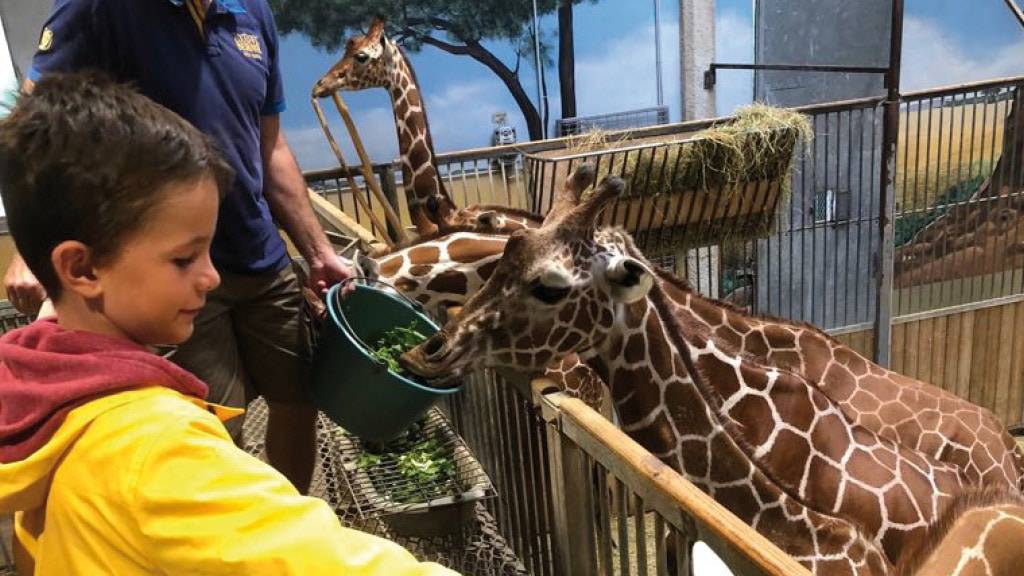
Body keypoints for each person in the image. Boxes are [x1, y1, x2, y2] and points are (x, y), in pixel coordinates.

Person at [0, 72, 455, 576]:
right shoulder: (156, 451)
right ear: (83, 270)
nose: (211, 277)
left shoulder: (37, 392)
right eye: (183, 259)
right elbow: (315, 559)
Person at [4, 0, 357, 492]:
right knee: (212, 425)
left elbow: (270, 146)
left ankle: (287, 514)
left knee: (298, 396)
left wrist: (318, 251)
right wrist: (32, 249)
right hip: (168, 270)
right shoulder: (95, 10)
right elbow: (37, 131)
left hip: (260, 252)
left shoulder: (253, 13)